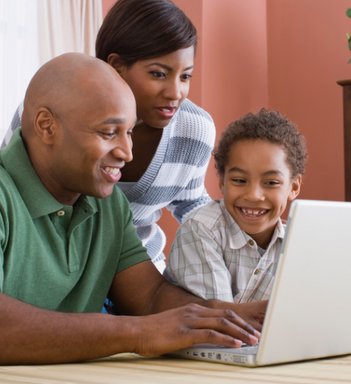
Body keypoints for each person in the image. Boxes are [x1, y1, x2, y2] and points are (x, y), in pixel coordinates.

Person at [0, 52, 266, 365]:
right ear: (46, 126)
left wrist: (229, 316)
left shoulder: (108, 202)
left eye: (129, 132)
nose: (127, 153)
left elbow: (149, 297)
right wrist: (137, 333)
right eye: (108, 132)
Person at [2, 0, 214, 272]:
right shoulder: (54, 107)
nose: (175, 93)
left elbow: (194, 207)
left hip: (139, 269)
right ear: (116, 66)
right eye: (158, 73)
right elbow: (11, 183)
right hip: (55, 267)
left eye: (185, 76)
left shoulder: (194, 131)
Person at [164, 109, 308, 303]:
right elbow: (219, 323)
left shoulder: (298, 245)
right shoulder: (200, 229)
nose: (253, 195)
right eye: (239, 180)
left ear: (294, 187)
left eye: (271, 182)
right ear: (222, 182)